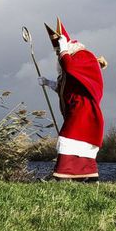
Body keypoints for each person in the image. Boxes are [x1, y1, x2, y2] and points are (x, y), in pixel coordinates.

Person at [37, 19, 106, 181]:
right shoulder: (68, 59)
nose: (57, 53)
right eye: (56, 50)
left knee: (67, 138)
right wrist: (48, 83)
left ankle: (60, 175)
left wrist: (63, 50)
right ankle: (87, 175)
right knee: (76, 142)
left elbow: (70, 67)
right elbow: (65, 89)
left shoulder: (84, 56)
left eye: (57, 49)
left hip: (85, 109)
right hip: (76, 108)